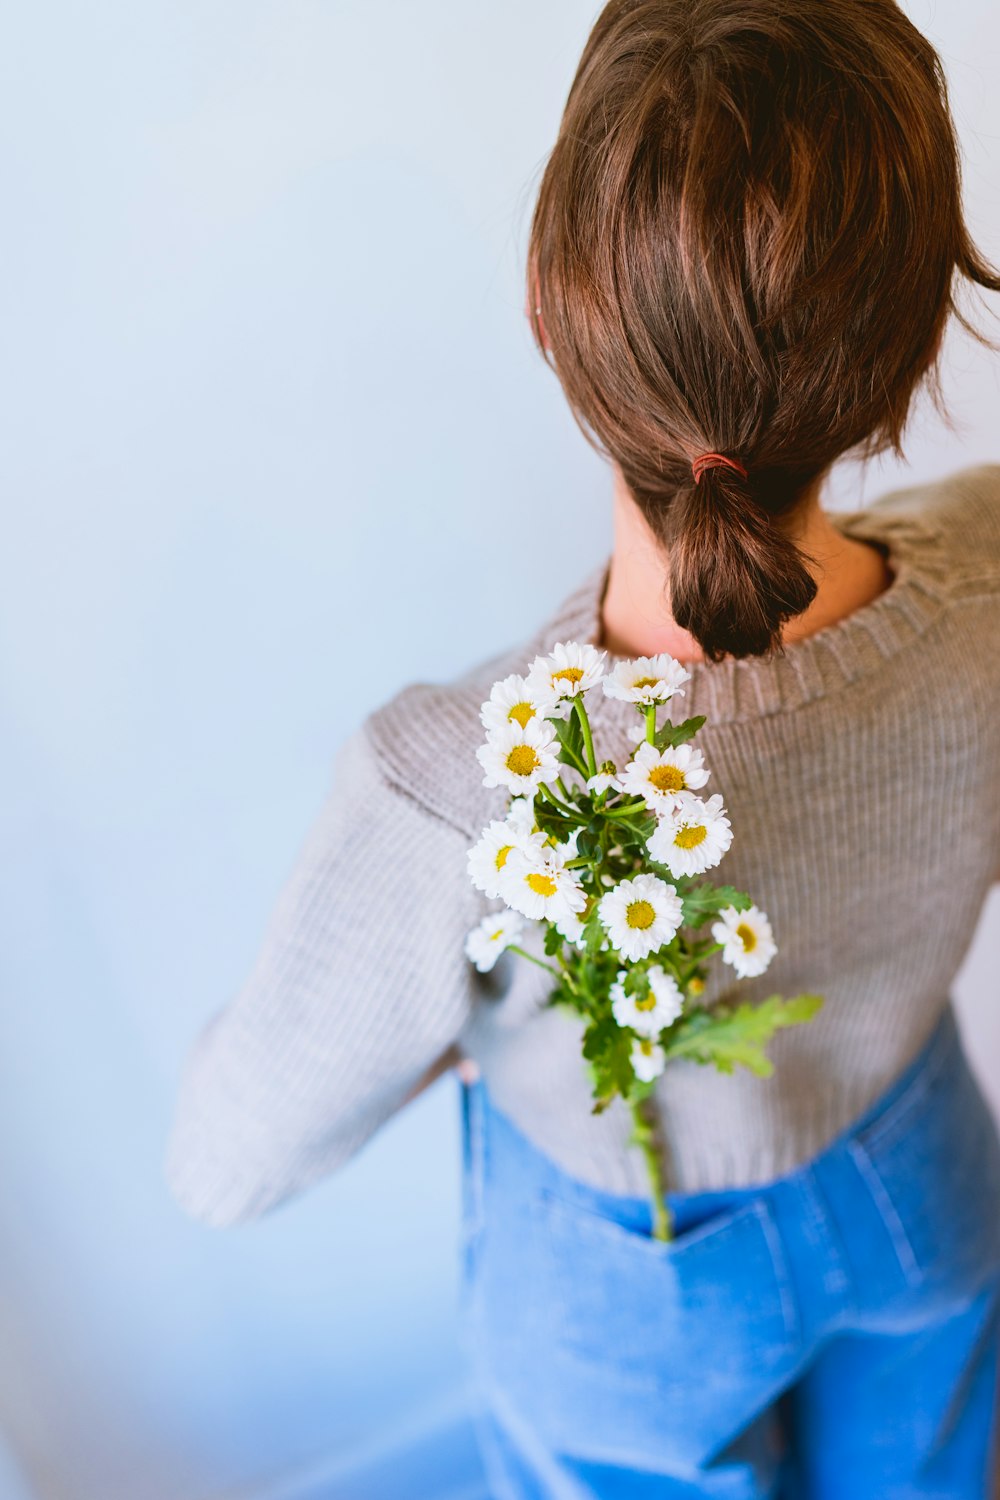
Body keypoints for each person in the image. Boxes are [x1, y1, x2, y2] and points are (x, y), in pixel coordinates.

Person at [165, 1, 1000, 1494]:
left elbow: (226, 1163)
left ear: (549, 307)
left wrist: (446, 1017)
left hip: (637, 1290)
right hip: (922, 1180)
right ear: (913, 343)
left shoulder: (453, 786)